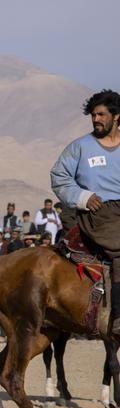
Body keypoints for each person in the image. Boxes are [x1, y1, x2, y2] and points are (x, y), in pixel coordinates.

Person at [51, 89, 120, 336]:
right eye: (93, 115)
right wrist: (82, 197)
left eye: (101, 114)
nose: (96, 119)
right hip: (99, 213)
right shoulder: (80, 147)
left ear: (117, 116)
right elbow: (59, 176)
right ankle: (118, 319)